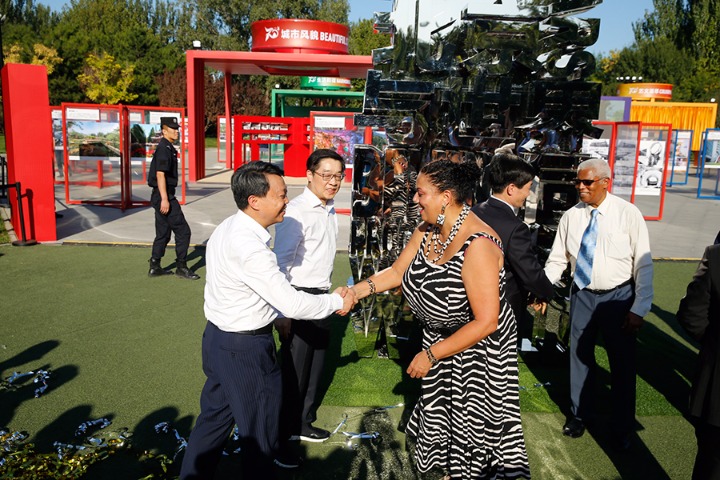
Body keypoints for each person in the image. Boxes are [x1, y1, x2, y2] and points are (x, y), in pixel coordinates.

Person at [351, 160, 530, 479]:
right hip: (440, 343)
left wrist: (431, 354)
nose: (414, 199)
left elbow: (487, 321)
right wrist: (355, 292)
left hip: (478, 356)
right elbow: (396, 272)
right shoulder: (426, 229)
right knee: (442, 424)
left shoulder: (480, 245)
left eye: (420, 193)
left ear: (445, 197)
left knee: (469, 434)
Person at [179, 162, 356, 479]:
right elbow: (290, 300)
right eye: (281, 195)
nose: (286, 201)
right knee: (260, 432)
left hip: (219, 339)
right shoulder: (250, 248)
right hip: (244, 348)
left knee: (214, 421)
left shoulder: (230, 226)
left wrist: (277, 314)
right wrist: (336, 301)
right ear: (255, 201)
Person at [544, 158, 653, 450]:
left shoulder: (628, 214)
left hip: (619, 297)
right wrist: (542, 289)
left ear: (606, 181)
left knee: (622, 363)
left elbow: (643, 264)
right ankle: (579, 416)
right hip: (582, 294)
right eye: (577, 181)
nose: (580, 187)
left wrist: (639, 308)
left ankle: (622, 426)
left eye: (587, 182)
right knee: (578, 359)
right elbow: (557, 259)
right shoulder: (571, 216)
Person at [273, 149, 345, 444]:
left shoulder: (327, 209)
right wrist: (282, 311)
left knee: (314, 367)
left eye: (338, 176)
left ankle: (302, 422)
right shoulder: (297, 212)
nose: (333, 182)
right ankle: (284, 429)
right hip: (298, 298)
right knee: (294, 372)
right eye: (326, 175)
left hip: (320, 298)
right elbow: (280, 263)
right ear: (309, 175)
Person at [472, 153, 554, 344]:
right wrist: (546, 293)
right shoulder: (515, 228)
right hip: (501, 311)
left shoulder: (473, 212)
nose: (528, 194)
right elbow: (530, 272)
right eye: (527, 188)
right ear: (511, 189)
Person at [677, 243, 720, 480]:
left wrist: (714, 345)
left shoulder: (715, 256)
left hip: (715, 393)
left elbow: (691, 315)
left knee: (709, 463)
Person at [147, 116, 199, 279]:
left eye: (177, 128)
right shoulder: (164, 148)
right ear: (164, 130)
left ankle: (155, 266)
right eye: (173, 129)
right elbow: (160, 174)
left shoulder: (167, 147)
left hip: (159, 195)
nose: (177, 131)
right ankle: (181, 267)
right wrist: (165, 199)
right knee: (183, 231)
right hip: (164, 195)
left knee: (163, 232)